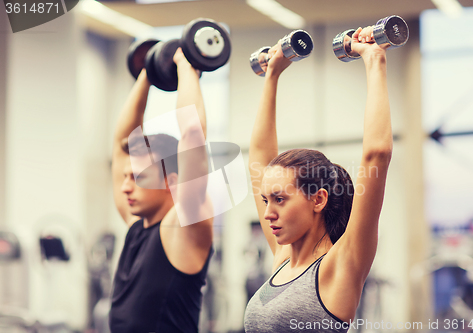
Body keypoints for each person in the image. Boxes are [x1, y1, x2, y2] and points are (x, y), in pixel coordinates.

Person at [244, 26, 393, 332]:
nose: (269, 213)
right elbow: (258, 156)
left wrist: (374, 59)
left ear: (318, 199)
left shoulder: (340, 265)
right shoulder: (283, 258)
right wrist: (272, 75)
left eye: (280, 199)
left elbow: (376, 154)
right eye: (266, 200)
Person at [109, 48, 213, 333]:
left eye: (139, 177)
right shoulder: (136, 226)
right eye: (127, 176)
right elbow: (121, 141)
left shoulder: (183, 225)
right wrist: (149, 71)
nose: (125, 186)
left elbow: (192, 135)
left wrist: (185, 65)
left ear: (172, 181)